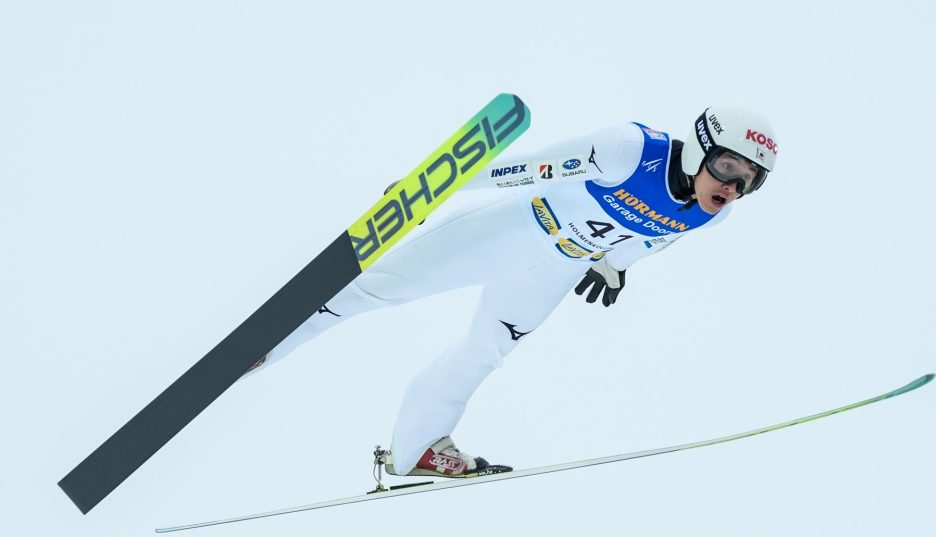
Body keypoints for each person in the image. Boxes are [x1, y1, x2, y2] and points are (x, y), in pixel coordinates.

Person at [243, 105, 779, 478]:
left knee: (484, 353)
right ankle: (265, 343)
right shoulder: (629, 150)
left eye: (748, 180)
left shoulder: (710, 217)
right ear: (701, 148)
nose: (731, 186)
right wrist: (433, 187)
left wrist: (615, 266)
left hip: (552, 271)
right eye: (728, 165)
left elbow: (652, 240)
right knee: (379, 290)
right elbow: (529, 167)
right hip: (511, 231)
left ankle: (417, 449)